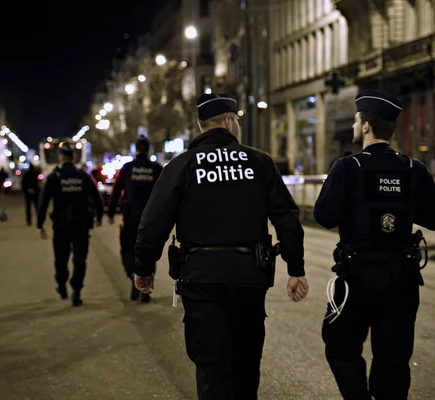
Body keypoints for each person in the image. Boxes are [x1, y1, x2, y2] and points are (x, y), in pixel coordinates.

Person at [132, 92, 309, 399]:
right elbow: (287, 217)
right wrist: (296, 268)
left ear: (202, 126)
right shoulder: (258, 161)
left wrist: (144, 268)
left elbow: (153, 223)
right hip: (248, 278)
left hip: (201, 280)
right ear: (229, 122)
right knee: (245, 366)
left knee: (212, 368)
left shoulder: (183, 165)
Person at [314, 90, 435, 400]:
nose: (354, 124)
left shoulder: (348, 167)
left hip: (357, 275)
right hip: (401, 277)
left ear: (365, 126)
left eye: (356, 120)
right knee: (394, 356)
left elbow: (323, 215)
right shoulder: (414, 169)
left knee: (340, 346)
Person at [37, 142, 104, 307]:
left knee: (61, 258)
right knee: (80, 259)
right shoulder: (82, 176)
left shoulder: (54, 177)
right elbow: (96, 198)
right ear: (72, 157)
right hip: (81, 225)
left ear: (60, 157)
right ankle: (77, 290)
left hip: (61, 226)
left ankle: (61, 283)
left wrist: (40, 223)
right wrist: (99, 216)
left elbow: (43, 202)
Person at [108, 135, 163, 302]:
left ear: (136, 150)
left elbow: (116, 191)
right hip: (150, 220)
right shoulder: (156, 169)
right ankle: (145, 289)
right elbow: (165, 193)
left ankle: (133, 275)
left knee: (128, 251)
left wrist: (110, 212)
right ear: (148, 150)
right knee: (148, 253)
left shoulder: (127, 168)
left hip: (131, 218)